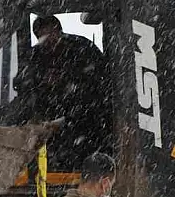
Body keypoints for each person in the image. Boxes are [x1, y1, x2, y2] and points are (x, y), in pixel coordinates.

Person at [7, 15, 114, 169]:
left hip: (85, 118)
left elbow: (99, 85)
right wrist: (40, 81)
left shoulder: (82, 49)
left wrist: (66, 80)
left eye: (52, 34)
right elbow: (20, 84)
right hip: (49, 115)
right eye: (42, 37)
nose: (49, 41)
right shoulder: (34, 55)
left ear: (59, 31)